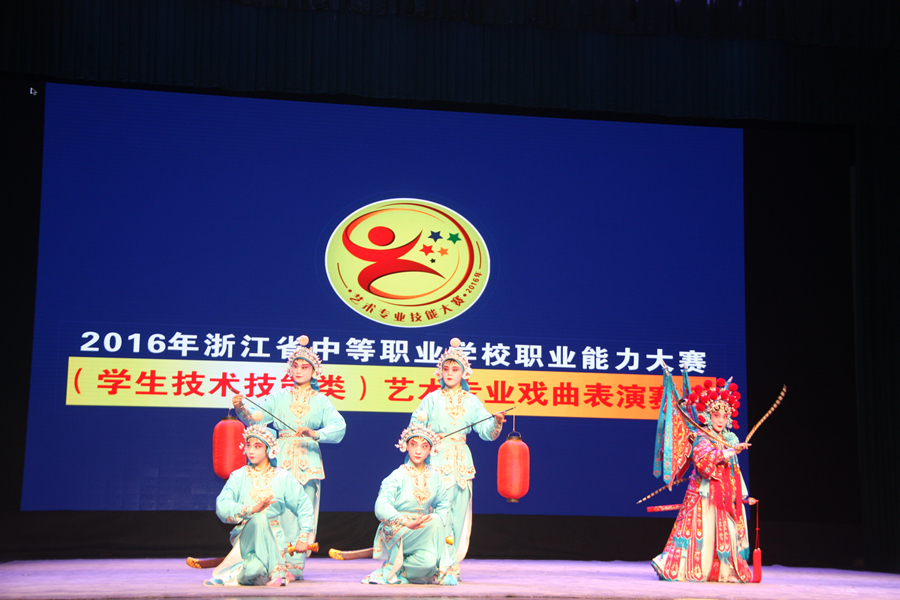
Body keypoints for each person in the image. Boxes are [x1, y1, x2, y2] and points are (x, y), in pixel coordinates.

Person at [232, 334, 346, 562]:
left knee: (304, 510)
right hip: (281, 457)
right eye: (295, 366)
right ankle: (276, 561)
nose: (299, 371)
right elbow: (257, 418)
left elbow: (339, 426)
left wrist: (315, 433)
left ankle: (295, 563)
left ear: (314, 371)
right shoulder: (279, 396)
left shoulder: (321, 400)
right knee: (278, 508)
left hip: (308, 462)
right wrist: (241, 408)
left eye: (305, 367)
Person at [408, 337, 506, 577]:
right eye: (446, 369)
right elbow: (414, 428)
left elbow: (486, 431)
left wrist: (496, 422)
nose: (450, 373)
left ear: (464, 373)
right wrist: (430, 436)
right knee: (437, 513)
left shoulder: (472, 401)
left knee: (459, 513)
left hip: (461, 463)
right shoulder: (431, 399)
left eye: (455, 369)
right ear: (440, 372)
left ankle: (451, 562)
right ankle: (434, 561)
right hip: (436, 460)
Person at [652, 377, 753, 583]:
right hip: (702, 494)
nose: (720, 420)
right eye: (716, 415)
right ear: (707, 415)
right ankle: (686, 569)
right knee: (701, 534)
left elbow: (733, 471)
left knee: (728, 531)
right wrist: (731, 451)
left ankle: (724, 571)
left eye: (725, 416)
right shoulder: (701, 436)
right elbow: (704, 463)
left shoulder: (728, 439)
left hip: (725, 494)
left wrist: (738, 492)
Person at [206, 425, 314, 587]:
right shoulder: (239, 476)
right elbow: (222, 504)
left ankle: (235, 575)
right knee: (259, 518)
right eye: (248, 445)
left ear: (269, 449)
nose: (251, 451)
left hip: (275, 538)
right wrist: (250, 510)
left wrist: (304, 536)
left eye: (257, 446)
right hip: (247, 536)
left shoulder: (283, 477)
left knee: (253, 569)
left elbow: (303, 504)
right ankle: (277, 573)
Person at [362, 423, 457, 585]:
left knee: (428, 562)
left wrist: (437, 527)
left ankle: (395, 570)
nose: (418, 451)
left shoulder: (435, 477)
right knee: (434, 520)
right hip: (398, 529)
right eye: (413, 445)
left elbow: (443, 503)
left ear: (431, 450)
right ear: (406, 446)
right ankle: (443, 571)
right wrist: (404, 521)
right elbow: (381, 506)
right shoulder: (397, 475)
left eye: (424, 446)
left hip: (423, 528)